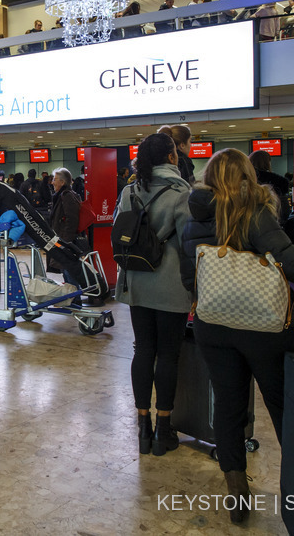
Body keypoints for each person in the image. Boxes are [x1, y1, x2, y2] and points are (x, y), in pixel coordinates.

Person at [181, 148, 294, 524]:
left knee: (228, 409)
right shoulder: (256, 211)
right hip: (265, 328)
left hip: (213, 326)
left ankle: (237, 496)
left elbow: (189, 278)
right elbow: (293, 264)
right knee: (284, 406)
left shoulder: (193, 217)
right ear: (248, 175)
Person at [112, 134, 191, 456]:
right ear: (172, 157)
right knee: (169, 354)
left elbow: (121, 231)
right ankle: (163, 429)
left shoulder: (130, 190)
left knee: (143, 348)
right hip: (170, 283)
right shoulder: (181, 192)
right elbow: (190, 243)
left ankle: (142, 426)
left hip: (137, 279)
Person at [48, 168, 82, 281]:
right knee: (64, 267)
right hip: (61, 238)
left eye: (55, 179)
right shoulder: (62, 195)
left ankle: (74, 295)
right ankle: (72, 293)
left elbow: (72, 219)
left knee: (67, 267)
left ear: (62, 182)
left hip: (65, 240)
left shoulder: (67, 196)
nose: (52, 182)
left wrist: (66, 242)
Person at [249, 150, 290, 224]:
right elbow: (284, 212)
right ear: (267, 163)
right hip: (273, 225)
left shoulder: (245, 181)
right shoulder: (278, 183)